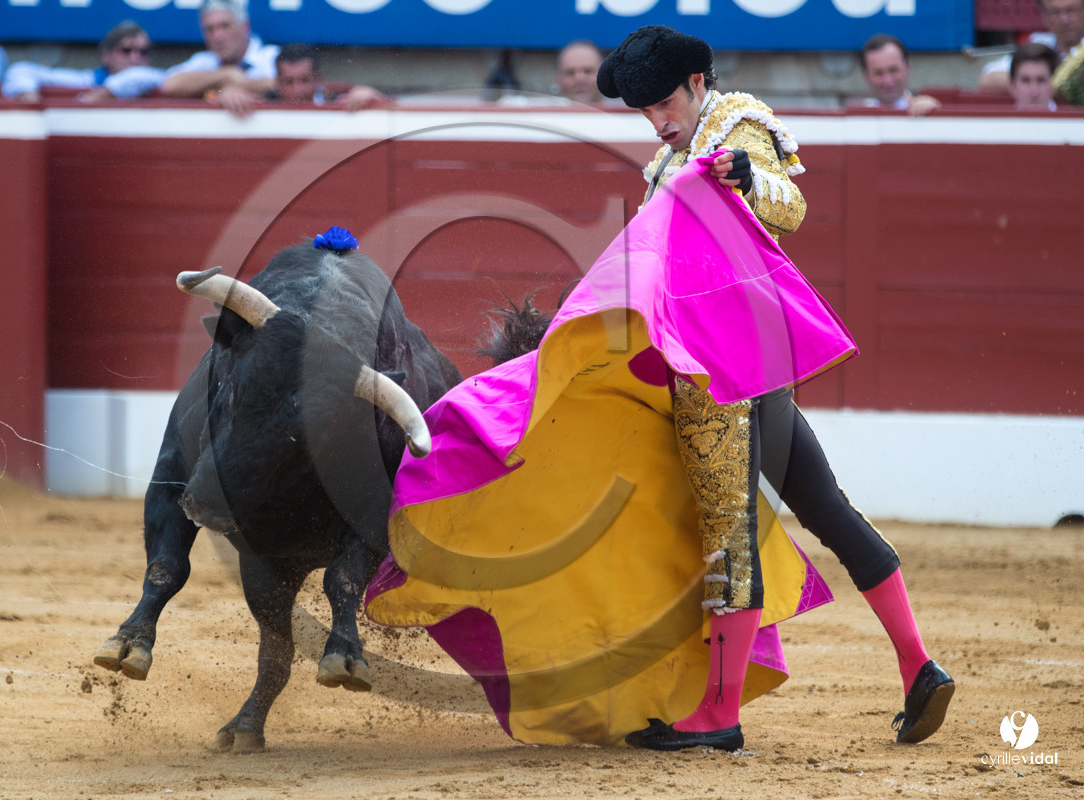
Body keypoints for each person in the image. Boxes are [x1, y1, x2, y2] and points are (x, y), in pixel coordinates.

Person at [368, 25, 953, 753]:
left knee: (726, 535)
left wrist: (745, 173)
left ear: (699, 82)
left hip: (721, 375)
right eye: (645, 111)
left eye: (665, 103)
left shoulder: (739, 125)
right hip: (735, 363)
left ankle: (719, 715)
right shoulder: (664, 164)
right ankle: (917, 663)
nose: (658, 119)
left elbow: (790, 207)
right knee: (824, 508)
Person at [159, 0, 279, 118]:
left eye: (225, 26)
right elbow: (168, 85)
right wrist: (225, 75)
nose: (217, 37)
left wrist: (238, 86)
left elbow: (290, 85)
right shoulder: (204, 61)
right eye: (210, 29)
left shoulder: (271, 56)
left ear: (244, 26)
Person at [1, 21, 164, 103]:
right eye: (126, 51)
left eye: (144, 52)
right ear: (106, 56)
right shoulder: (87, 80)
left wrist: (100, 95)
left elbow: (141, 76)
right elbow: (21, 70)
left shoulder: (157, 80)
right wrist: (30, 98)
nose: (135, 58)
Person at [979, 0, 1084, 93]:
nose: (1064, 20)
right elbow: (989, 79)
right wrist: (1054, 84)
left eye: (1071, 11)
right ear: (1044, 16)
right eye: (1055, 12)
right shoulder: (1039, 44)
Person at [265, 43, 388, 111]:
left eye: (305, 80)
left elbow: (391, 108)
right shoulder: (264, 102)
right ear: (277, 83)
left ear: (317, 79)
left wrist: (371, 96)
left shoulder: (335, 100)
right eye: (289, 82)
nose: (297, 90)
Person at [855, 33, 940, 116]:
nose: (887, 81)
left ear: (907, 68)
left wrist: (935, 113)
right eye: (878, 73)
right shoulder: (855, 118)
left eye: (893, 70)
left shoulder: (928, 111)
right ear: (866, 76)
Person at [1009, 42, 1060, 110]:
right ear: (1013, 86)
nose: (1034, 93)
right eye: (1026, 80)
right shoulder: (998, 120)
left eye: (1041, 80)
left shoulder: (1071, 120)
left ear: (1054, 85)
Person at [554, 39, 605, 104]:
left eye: (588, 71)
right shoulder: (543, 113)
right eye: (570, 73)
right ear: (558, 79)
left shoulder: (620, 111)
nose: (580, 78)